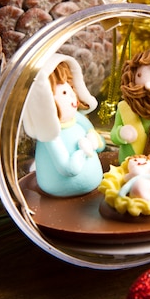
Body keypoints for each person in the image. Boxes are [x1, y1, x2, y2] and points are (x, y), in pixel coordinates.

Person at [21, 54, 105, 197]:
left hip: (96, 187)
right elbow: (68, 169)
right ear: (45, 100)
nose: (73, 95)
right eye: (64, 92)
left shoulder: (77, 118)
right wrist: (83, 150)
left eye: (71, 88)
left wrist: (94, 141)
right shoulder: (49, 133)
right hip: (57, 189)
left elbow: (101, 144)